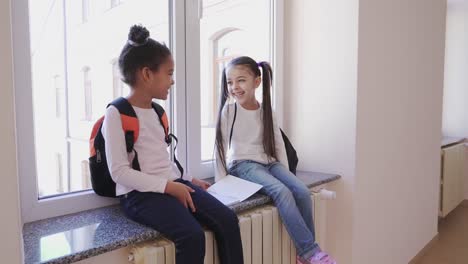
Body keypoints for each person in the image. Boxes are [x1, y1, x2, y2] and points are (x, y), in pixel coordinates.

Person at [103, 25, 244, 264]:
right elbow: (119, 172)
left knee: (228, 220)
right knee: (191, 236)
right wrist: (168, 187)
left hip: (171, 184)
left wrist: (187, 179)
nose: (172, 80)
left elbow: (161, 159)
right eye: (169, 73)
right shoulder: (117, 113)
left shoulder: (158, 112)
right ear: (147, 74)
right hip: (139, 196)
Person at [214, 56, 336, 264]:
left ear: (257, 81)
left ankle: (307, 255)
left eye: (241, 80)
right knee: (282, 192)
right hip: (243, 165)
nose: (234, 87)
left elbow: (278, 144)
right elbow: (219, 146)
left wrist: (287, 174)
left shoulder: (267, 111)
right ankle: (311, 252)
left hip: (269, 163)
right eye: (230, 82)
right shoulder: (229, 110)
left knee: (302, 192)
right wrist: (220, 182)